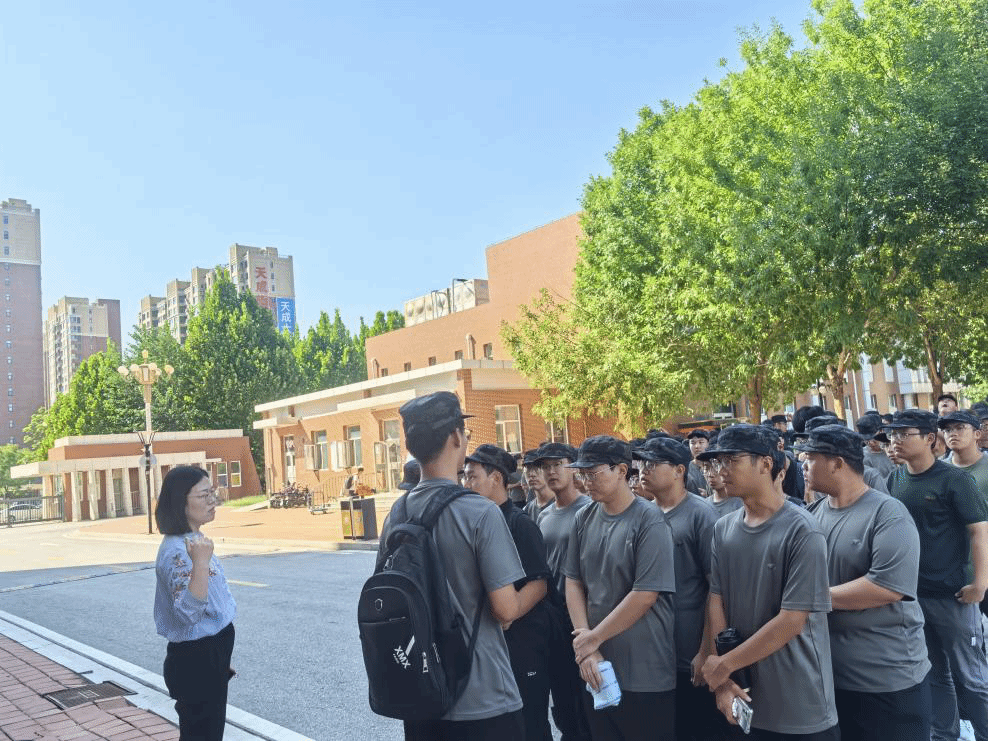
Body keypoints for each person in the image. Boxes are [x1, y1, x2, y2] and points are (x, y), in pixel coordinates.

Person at [379, 391, 526, 741]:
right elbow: (505, 609)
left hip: (421, 693)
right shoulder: (480, 512)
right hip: (483, 696)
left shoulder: (397, 514)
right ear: (456, 437)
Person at [698, 424, 839, 740]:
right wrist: (725, 679)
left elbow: (792, 621)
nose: (721, 470)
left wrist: (724, 665)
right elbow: (717, 599)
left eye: (732, 460)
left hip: (798, 700)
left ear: (765, 463)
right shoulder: (723, 528)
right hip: (742, 695)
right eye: (718, 462)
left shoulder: (802, 530)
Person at [799, 425, 931, 741]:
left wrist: (806, 599)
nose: (803, 465)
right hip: (831, 678)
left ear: (837, 463)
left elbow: (887, 587)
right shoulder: (811, 515)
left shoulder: (888, 513)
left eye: (811, 458)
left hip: (887, 680)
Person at [884, 409, 988, 741]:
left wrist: (980, 582)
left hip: (953, 594)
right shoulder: (895, 479)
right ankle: (945, 735)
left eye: (904, 434)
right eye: (893, 435)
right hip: (912, 595)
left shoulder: (955, 479)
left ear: (930, 439)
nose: (896, 441)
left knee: (971, 676)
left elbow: (979, 531)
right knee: (934, 675)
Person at [564, 436, 677, 741]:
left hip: (645, 670)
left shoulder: (649, 520)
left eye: (593, 473)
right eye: (582, 474)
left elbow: (645, 594)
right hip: (597, 665)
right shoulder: (583, 517)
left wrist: (593, 639)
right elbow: (573, 581)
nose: (586, 482)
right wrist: (587, 645)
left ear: (622, 470)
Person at [464, 444, 553, 741]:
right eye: (465, 476)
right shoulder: (474, 521)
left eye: (473, 476)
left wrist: (509, 614)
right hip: (490, 646)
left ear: (496, 479)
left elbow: (540, 584)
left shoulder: (520, 523)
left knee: (531, 723)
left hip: (524, 641)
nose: (466, 484)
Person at [634, 436, 720, 741]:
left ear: (679, 470)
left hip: (688, 649)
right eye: (641, 463)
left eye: (653, 463)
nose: (643, 470)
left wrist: (706, 650)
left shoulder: (701, 514)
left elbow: (716, 589)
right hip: (650, 650)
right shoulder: (641, 514)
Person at [154, 466, 237, 741]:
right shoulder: (178, 552)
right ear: (181, 502)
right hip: (197, 660)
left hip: (208, 658)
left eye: (212, 493)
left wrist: (219, 660)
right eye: (203, 495)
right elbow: (188, 612)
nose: (212, 500)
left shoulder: (193, 540)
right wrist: (200, 563)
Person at [534, 441, 593, 741]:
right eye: (546, 467)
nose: (551, 472)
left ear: (573, 467)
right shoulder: (543, 515)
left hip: (584, 617)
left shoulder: (590, 509)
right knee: (563, 695)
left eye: (558, 464)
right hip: (554, 617)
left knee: (589, 695)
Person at [523, 448, 555, 520]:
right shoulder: (527, 510)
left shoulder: (562, 505)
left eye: (537, 468)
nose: (532, 474)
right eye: (528, 469)